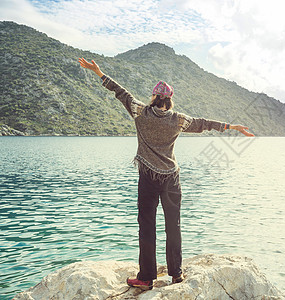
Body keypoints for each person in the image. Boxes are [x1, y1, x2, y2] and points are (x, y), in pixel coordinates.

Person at [78, 58, 254, 290]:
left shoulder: (140, 112)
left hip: (148, 177)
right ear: (170, 99)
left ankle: (146, 277)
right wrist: (232, 127)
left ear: (154, 97)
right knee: (174, 225)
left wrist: (98, 72)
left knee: (147, 226)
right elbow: (204, 123)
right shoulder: (179, 120)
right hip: (171, 178)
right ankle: (176, 274)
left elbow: (121, 92)